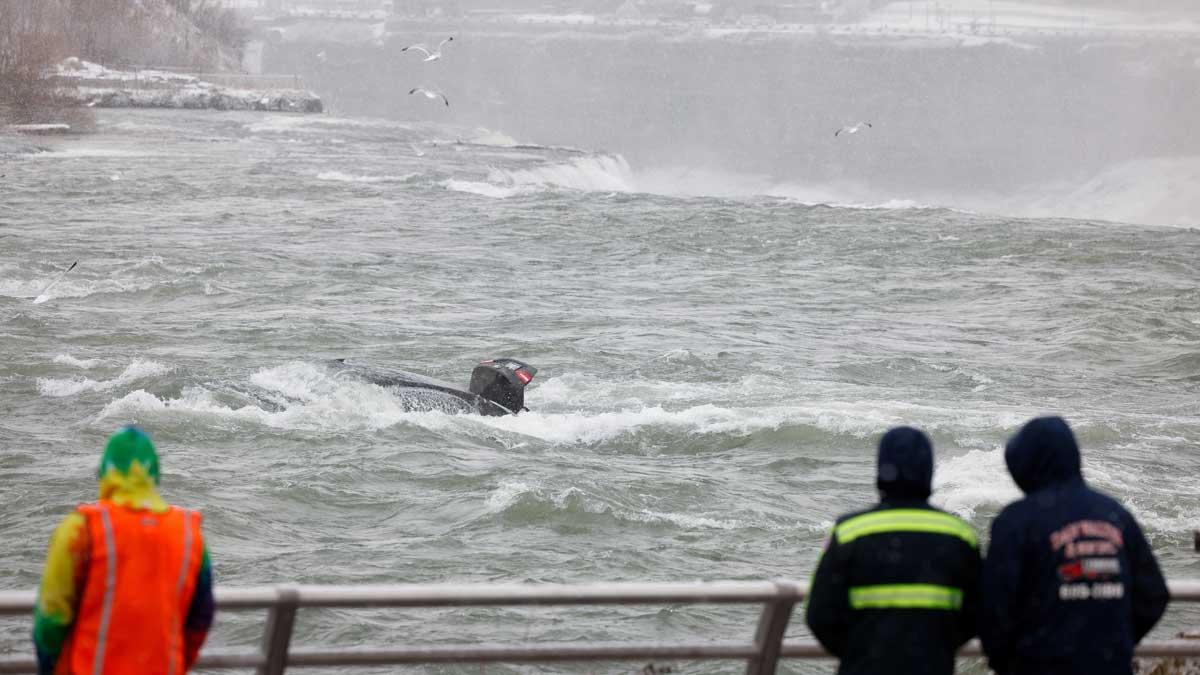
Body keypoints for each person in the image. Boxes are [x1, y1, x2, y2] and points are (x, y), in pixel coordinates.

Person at [980, 416, 1168, 675]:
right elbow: (1153, 594)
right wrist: (1114, 643)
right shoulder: (1115, 513)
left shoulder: (1017, 521)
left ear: (1024, 465)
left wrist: (1010, 660)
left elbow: (995, 605)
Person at [32, 426, 214, 675]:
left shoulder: (82, 529)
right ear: (156, 474)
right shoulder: (190, 534)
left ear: (106, 473)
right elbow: (201, 618)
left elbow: (50, 618)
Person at [806, 426, 981, 675]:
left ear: (880, 469)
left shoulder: (849, 532)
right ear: (928, 470)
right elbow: (978, 612)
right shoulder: (959, 535)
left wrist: (861, 652)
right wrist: (934, 648)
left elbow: (819, 613)